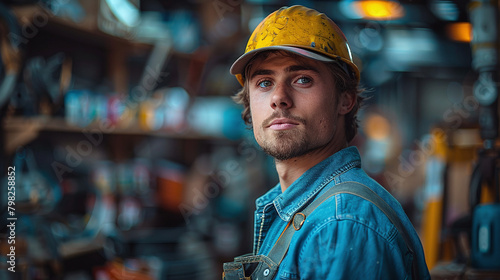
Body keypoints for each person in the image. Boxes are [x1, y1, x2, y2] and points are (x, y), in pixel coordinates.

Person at [224, 5, 430, 280]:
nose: (279, 97)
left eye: (302, 79)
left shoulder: (341, 224)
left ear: (345, 100)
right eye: (264, 83)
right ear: (249, 103)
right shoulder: (300, 208)